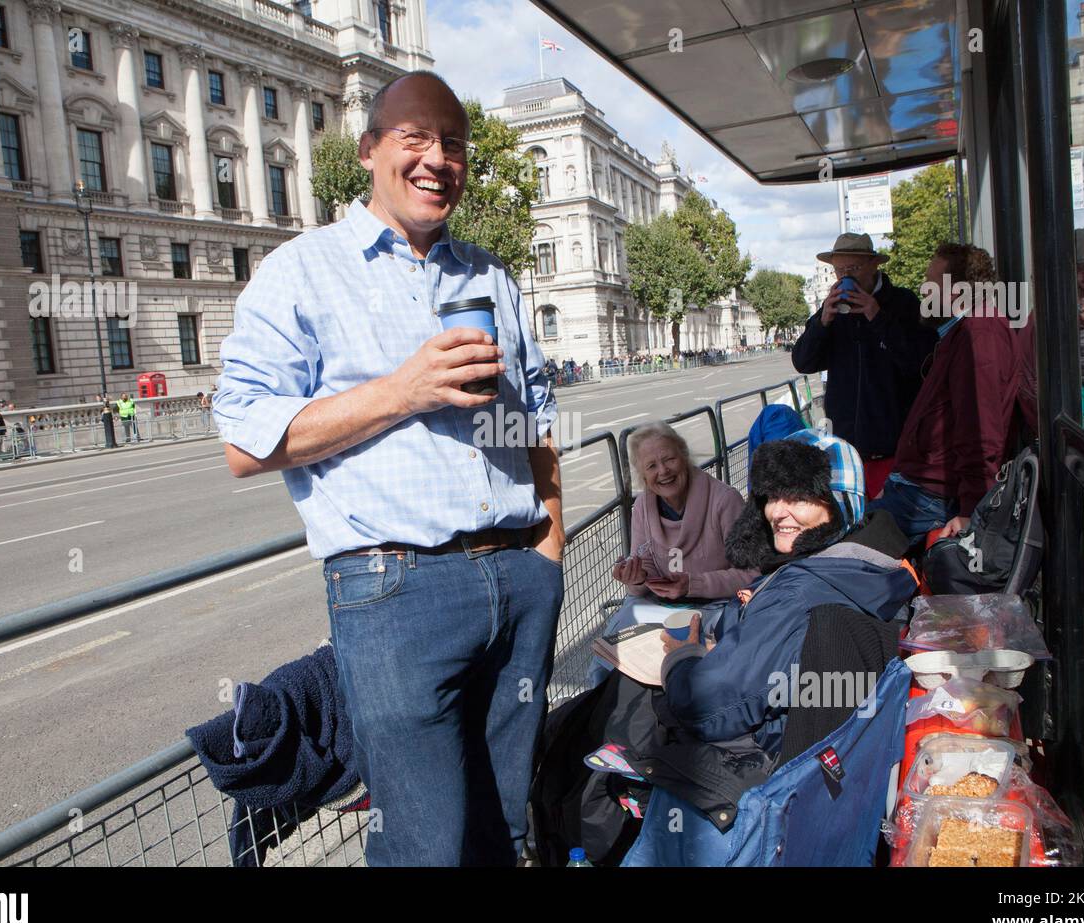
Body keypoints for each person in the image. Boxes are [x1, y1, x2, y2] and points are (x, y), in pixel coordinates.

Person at [213, 70, 564, 867]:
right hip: (395, 592)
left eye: (455, 143)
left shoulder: (491, 276)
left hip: (518, 576)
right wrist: (403, 392)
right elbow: (243, 443)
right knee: (424, 847)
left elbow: (536, 418)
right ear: (370, 150)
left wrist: (549, 548)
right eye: (416, 137)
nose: (439, 158)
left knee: (506, 828)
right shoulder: (300, 271)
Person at [660, 429, 916, 747]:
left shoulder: (798, 593)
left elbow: (701, 707)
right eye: (772, 495)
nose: (777, 512)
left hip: (770, 764)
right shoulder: (876, 562)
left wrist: (682, 657)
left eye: (799, 497)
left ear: (840, 504)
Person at [868, 243, 1022, 546]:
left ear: (956, 290)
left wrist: (970, 510)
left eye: (931, 282)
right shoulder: (965, 332)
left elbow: (981, 429)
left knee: (835, 553)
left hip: (929, 499)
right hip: (916, 489)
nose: (924, 290)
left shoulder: (979, 334)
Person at [791, 233, 937, 499]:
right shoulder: (832, 311)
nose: (846, 275)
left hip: (895, 450)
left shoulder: (903, 304)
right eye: (840, 270)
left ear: (874, 265)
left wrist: (876, 316)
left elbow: (920, 363)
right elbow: (803, 361)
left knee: (889, 532)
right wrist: (822, 322)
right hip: (846, 451)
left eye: (854, 268)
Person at [613, 422, 755, 602]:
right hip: (669, 610)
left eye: (669, 459)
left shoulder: (725, 501)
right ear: (642, 476)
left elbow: (752, 574)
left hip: (723, 606)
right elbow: (643, 577)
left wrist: (693, 585)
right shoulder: (642, 506)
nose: (663, 471)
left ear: (684, 456)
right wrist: (637, 577)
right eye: (651, 466)